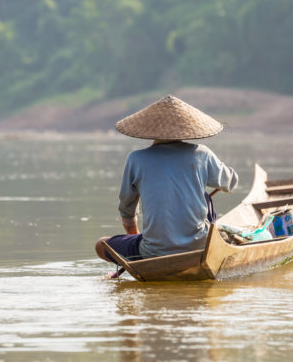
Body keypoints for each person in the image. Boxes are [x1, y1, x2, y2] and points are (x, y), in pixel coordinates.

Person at [95, 94, 238, 267]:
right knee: (206, 199)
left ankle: (144, 252)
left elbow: (127, 211)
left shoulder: (136, 159)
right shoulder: (202, 153)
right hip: (200, 245)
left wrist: (138, 240)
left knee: (101, 244)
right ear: (187, 128)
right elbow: (230, 183)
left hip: (152, 251)